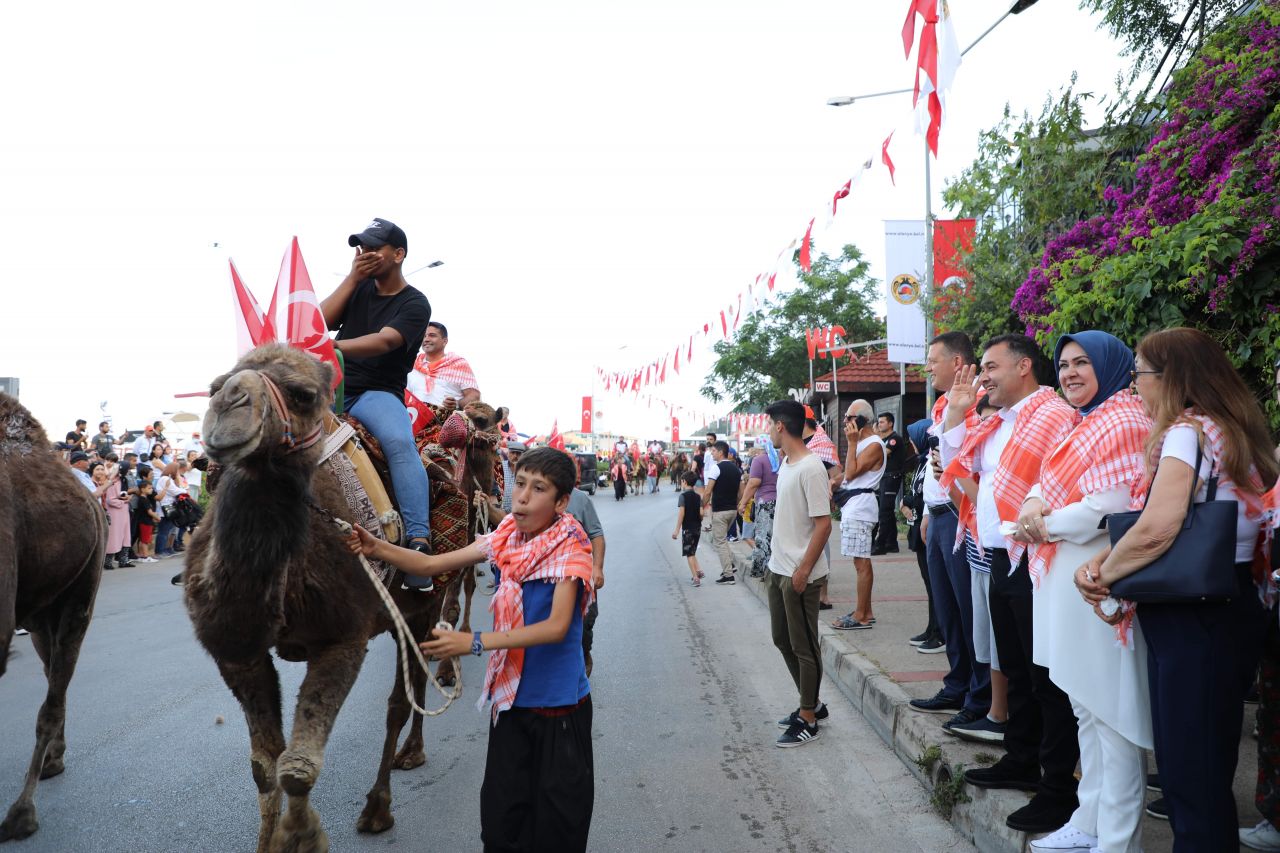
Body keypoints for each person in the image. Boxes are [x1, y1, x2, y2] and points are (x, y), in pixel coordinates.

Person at [1075, 328, 1277, 851]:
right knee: (1204, 764)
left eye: (1140, 373)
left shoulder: (1188, 432)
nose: (1135, 384)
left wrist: (1103, 575)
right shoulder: (1229, 428)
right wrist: (1108, 560)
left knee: (1190, 771)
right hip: (1227, 601)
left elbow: (1159, 525)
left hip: (1195, 613)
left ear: (1172, 379)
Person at [348, 447, 596, 852]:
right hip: (511, 708)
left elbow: (555, 628)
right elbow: (431, 565)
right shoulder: (506, 537)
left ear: (561, 502)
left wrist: (474, 641)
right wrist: (377, 547)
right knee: (500, 828)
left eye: (538, 489)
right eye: (519, 484)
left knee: (557, 832)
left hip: (560, 712)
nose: (522, 497)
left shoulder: (571, 549)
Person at [1004, 331, 1152, 853]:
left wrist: (1039, 526)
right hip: (1065, 582)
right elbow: (1044, 483)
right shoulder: (1081, 421)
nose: (1069, 373)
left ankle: (1119, 841)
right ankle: (1089, 822)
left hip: (1098, 584)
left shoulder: (1125, 420)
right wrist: (1032, 506)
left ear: (1109, 367)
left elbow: (1107, 507)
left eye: (1082, 363)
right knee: (1085, 708)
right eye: (1064, 364)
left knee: (1112, 716)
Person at [941, 334, 1079, 835]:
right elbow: (959, 466)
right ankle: (1021, 759)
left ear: (1024, 367)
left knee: (1046, 677)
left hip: (1038, 558)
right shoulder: (999, 420)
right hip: (1002, 555)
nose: (983, 377)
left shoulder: (1052, 415)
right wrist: (957, 412)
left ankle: (1058, 788)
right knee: (1017, 668)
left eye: (991, 367)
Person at [323, 217, 434, 591]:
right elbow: (319, 321)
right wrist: (352, 278)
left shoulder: (415, 303)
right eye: (362, 248)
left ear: (398, 254)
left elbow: (386, 341)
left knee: (399, 443)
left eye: (374, 248)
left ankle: (419, 542)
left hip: (376, 394)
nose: (365, 253)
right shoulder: (357, 288)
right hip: (332, 391)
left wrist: (334, 346)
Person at [909, 332, 988, 720]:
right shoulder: (942, 404)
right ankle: (957, 684)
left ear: (957, 363)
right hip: (939, 515)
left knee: (969, 610)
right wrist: (927, 511)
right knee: (947, 608)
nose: (927, 368)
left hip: (963, 513)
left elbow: (969, 463)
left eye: (932, 360)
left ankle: (980, 694)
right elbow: (935, 464)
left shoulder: (978, 403)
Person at [764, 399, 833, 747]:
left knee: (804, 646)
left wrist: (803, 571)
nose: (767, 431)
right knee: (782, 640)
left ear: (780, 426)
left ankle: (808, 717)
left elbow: (824, 525)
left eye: (769, 424)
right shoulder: (787, 464)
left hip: (799, 574)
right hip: (778, 568)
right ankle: (812, 702)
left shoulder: (811, 467)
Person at [831, 399, 885, 631]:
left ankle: (861, 614)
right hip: (855, 506)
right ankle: (865, 611)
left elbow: (851, 473)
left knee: (862, 562)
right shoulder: (864, 443)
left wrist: (851, 443)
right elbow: (848, 473)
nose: (845, 421)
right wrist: (834, 481)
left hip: (861, 508)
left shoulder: (873, 444)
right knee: (859, 561)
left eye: (849, 417)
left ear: (862, 420)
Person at [900, 418, 944, 654]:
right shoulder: (921, 462)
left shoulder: (933, 461)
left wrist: (910, 502)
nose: (911, 443)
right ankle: (931, 627)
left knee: (936, 584)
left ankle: (939, 632)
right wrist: (905, 502)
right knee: (929, 583)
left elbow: (923, 496)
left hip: (927, 527)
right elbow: (915, 491)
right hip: (918, 528)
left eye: (913, 438)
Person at [405, 321, 482, 431]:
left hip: (449, 427)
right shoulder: (413, 365)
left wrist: (456, 404)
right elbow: (406, 395)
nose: (426, 339)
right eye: (424, 336)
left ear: (445, 341)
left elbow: (474, 396)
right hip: (415, 425)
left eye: (432, 335)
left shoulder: (458, 364)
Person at [565, 475, 606, 678]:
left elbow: (596, 534)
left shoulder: (580, 499)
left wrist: (597, 567)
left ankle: (585, 651)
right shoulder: (535, 498)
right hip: (548, 576)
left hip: (579, 574)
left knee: (587, 619)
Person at [702, 441, 742, 585]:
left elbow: (708, 491)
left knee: (719, 541)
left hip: (720, 511)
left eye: (713, 451)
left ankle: (728, 575)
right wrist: (737, 504)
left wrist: (702, 506)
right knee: (723, 540)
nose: (712, 453)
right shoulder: (736, 469)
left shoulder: (716, 468)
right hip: (732, 510)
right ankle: (730, 565)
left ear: (720, 452)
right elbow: (741, 491)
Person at [742, 434, 780, 579]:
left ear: (758, 448)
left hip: (765, 504)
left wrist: (743, 502)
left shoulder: (758, 460)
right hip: (780, 502)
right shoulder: (780, 458)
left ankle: (765, 572)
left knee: (763, 538)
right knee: (776, 538)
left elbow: (754, 483)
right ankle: (775, 570)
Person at [871, 412, 908, 554]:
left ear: (890, 423)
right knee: (887, 511)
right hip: (884, 478)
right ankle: (891, 543)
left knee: (884, 512)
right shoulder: (884, 439)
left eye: (882, 422)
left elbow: (880, 454)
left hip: (892, 478)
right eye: (878, 422)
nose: (879, 425)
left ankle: (880, 545)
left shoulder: (894, 439)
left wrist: (876, 436)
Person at [101, 461, 135, 569]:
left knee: (125, 536)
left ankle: (123, 561)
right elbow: (110, 500)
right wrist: (124, 501)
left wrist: (126, 498)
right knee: (114, 537)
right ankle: (108, 562)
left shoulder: (122, 480)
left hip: (123, 512)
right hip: (115, 512)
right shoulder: (113, 482)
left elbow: (121, 495)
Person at [673, 472, 705, 586]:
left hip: (687, 529)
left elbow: (681, 514)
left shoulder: (683, 496)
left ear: (684, 482)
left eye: (681, 481)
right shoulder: (698, 497)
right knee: (692, 550)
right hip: (697, 528)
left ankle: (695, 578)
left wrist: (677, 530)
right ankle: (699, 570)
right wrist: (699, 519)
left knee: (689, 554)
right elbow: (702, 513)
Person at [154, 462, 188, 558]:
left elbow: (176, 488)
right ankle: (159, 551)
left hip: (168, 506)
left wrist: (178, 479)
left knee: (167, 530)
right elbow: (174, 491)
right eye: (176, 470)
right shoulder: (165, 479)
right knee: (164, 530)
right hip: (166, 507)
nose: (177, 472)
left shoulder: (167, 479)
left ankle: (164, 550)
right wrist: (185, 491)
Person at [132, 481, 161, 562]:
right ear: (142, 489)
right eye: (149, 488)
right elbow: (150, 512)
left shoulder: (145, 499)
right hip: (145, 522)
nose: (151, 490)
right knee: (145, 540)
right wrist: (157, 517)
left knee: (143, 539)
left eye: (151, 488)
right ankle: (145, 556)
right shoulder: (144, 500)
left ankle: (141, 555)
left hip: (144, 521)